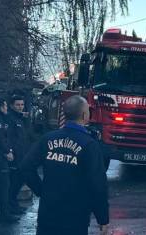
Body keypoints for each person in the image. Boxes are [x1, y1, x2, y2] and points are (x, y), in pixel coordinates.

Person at [20, 95, 109, 235]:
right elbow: (98, 184)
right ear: (85, 115)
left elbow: (25, 167)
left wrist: (42, 191)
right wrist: (102, 218)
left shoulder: (48, 139)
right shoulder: (89, 145)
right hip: (75, 216)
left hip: (48, 214)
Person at [6, 95, 29, 215]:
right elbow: (8, 137)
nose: (20, 107)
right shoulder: (10, 118)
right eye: (18, 105)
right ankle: (11, 206)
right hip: (14, 156)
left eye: (22, 104)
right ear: (11, 105)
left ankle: (14, 204)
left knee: (19, 181)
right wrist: (10, 151)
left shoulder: (20, 118)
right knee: (14, 181)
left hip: (22, 155)